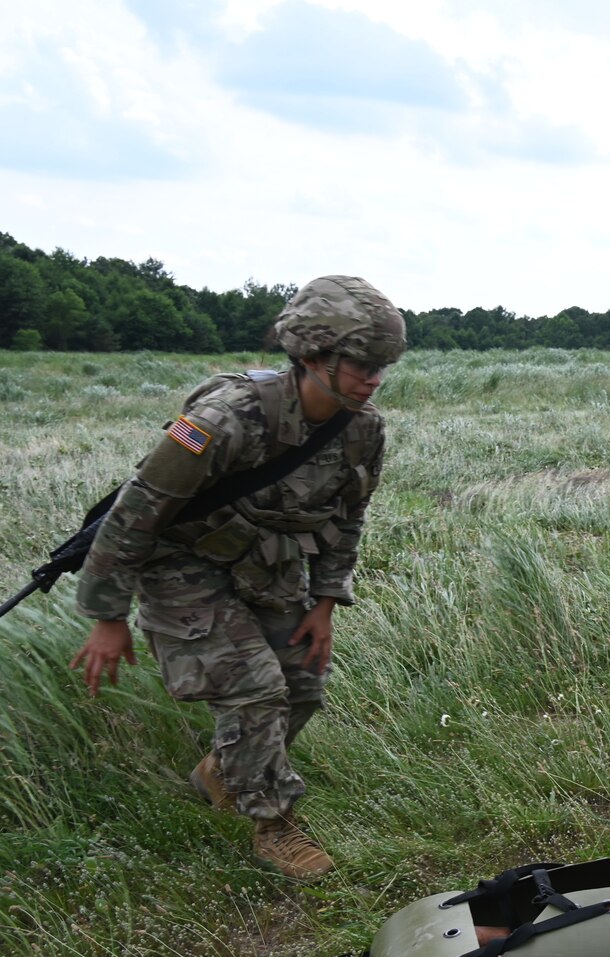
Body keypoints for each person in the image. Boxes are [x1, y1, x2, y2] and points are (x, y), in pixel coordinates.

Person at [70, 275, 406, 880]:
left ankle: (222, 773)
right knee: (254, 688)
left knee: (301, 685)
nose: (374, 378)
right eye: (360, 364)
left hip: (265, 566)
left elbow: (349, 517)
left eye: (383, 365)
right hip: (181, 564)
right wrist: (107, 616)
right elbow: (135, 513)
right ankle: (273, 825)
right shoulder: (222, 420)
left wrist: (326, 600)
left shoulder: (364, 429)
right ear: (312, 356)